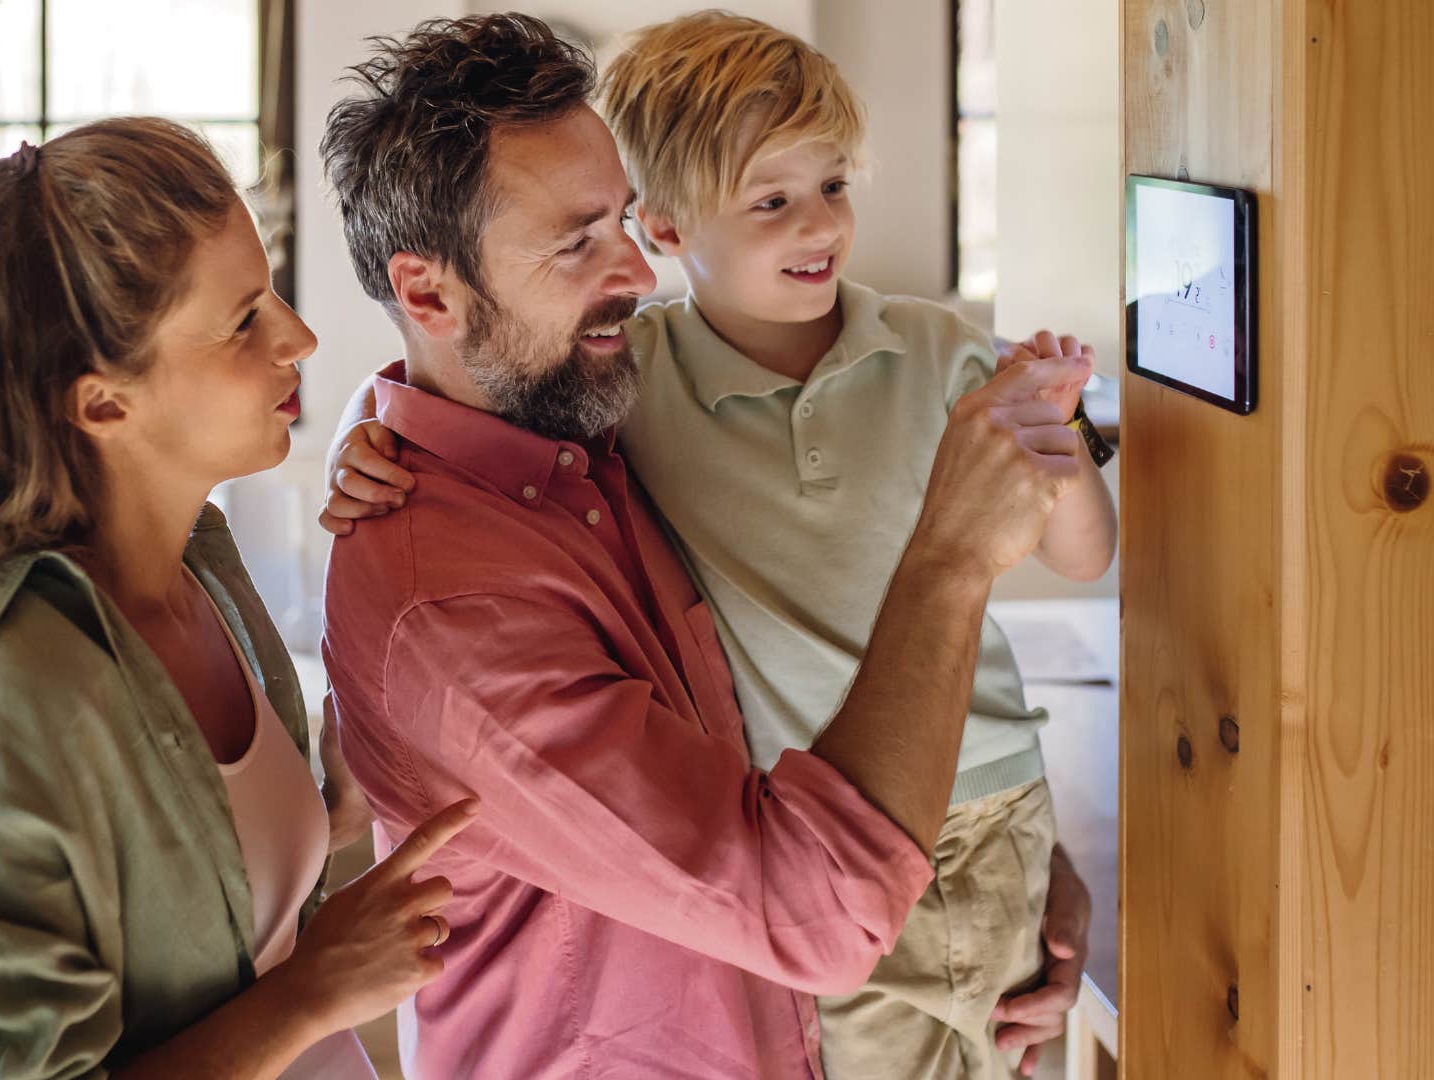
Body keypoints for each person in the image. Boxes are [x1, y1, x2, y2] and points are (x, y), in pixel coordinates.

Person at [325, 13, 1114, 1076]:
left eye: (617, 225)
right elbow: (820, 915)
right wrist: (954, 557)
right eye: (578, 241)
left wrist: (1006, 848)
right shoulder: (463, 600)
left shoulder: (577, 423)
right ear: (427, 292)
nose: (637, 276)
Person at [0, 118, 471, 1079]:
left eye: (271, 291)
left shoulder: (201, 573)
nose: (300, 337)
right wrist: (314, 992)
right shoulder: (0, 683)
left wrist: (336, 814)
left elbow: (205, 924)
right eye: (243, 320)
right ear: (103, 401)